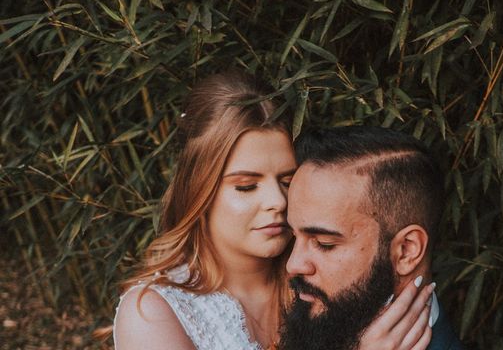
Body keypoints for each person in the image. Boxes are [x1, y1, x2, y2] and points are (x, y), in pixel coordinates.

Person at [113, 71, 434, 350]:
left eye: (287, 181)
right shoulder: (156, 311)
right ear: (199, 191)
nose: (278, 202)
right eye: (246, 185)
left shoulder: (325, 279)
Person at [281, 126, 467, 350]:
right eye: (294, 236)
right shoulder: (324, 326)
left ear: (406, 251)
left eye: (324, 244)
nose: (293, 265)